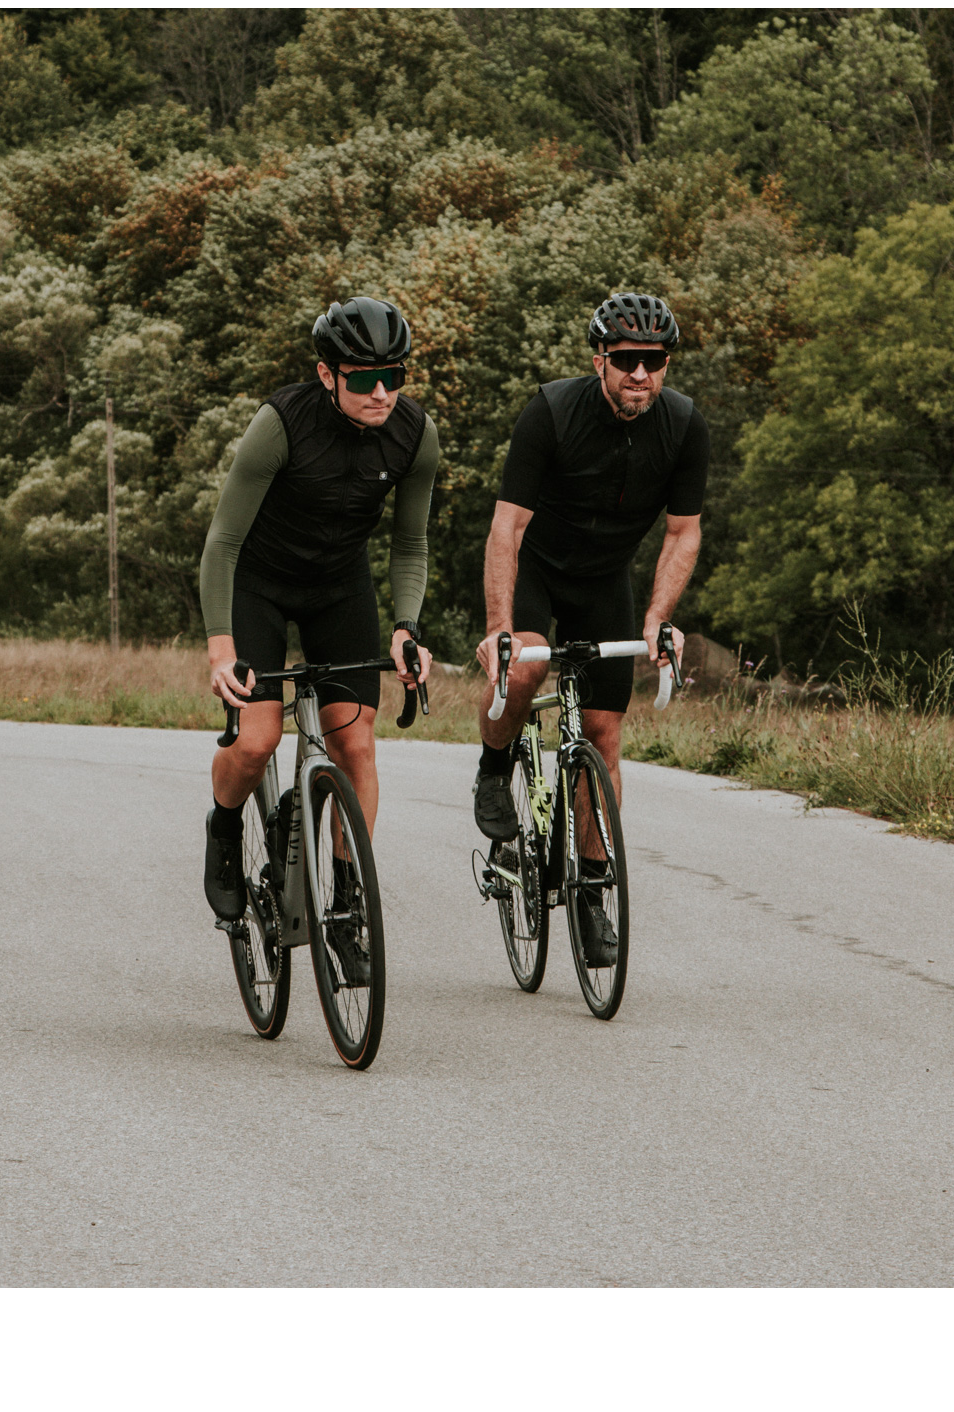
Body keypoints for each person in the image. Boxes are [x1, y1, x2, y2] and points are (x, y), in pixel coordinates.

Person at [471, 291, 709, 964]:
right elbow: (506, 528)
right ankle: (493, 770)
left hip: (605, 578)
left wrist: (658, 618)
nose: (642, 374)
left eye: (655, 361)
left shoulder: (685, 426)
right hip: (537, 569)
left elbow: (684, 533)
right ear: (600, 358)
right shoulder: (550, 413)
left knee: (602, 734)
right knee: (527, 664)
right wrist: (499, 627)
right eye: (628, 360)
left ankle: (593, 892)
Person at [200, 295, 436, 925]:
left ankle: (349, 899)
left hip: (339, 587)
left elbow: (410, 543)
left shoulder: (415, 434)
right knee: (257, 741)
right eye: (364, 378)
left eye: (395, 376)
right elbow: (222, 544)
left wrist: (406, 627)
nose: (382, 392)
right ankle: (224, 830)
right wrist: (221, 650)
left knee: (355, 745)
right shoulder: (281, 423)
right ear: (328, 374)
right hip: (261, 584)